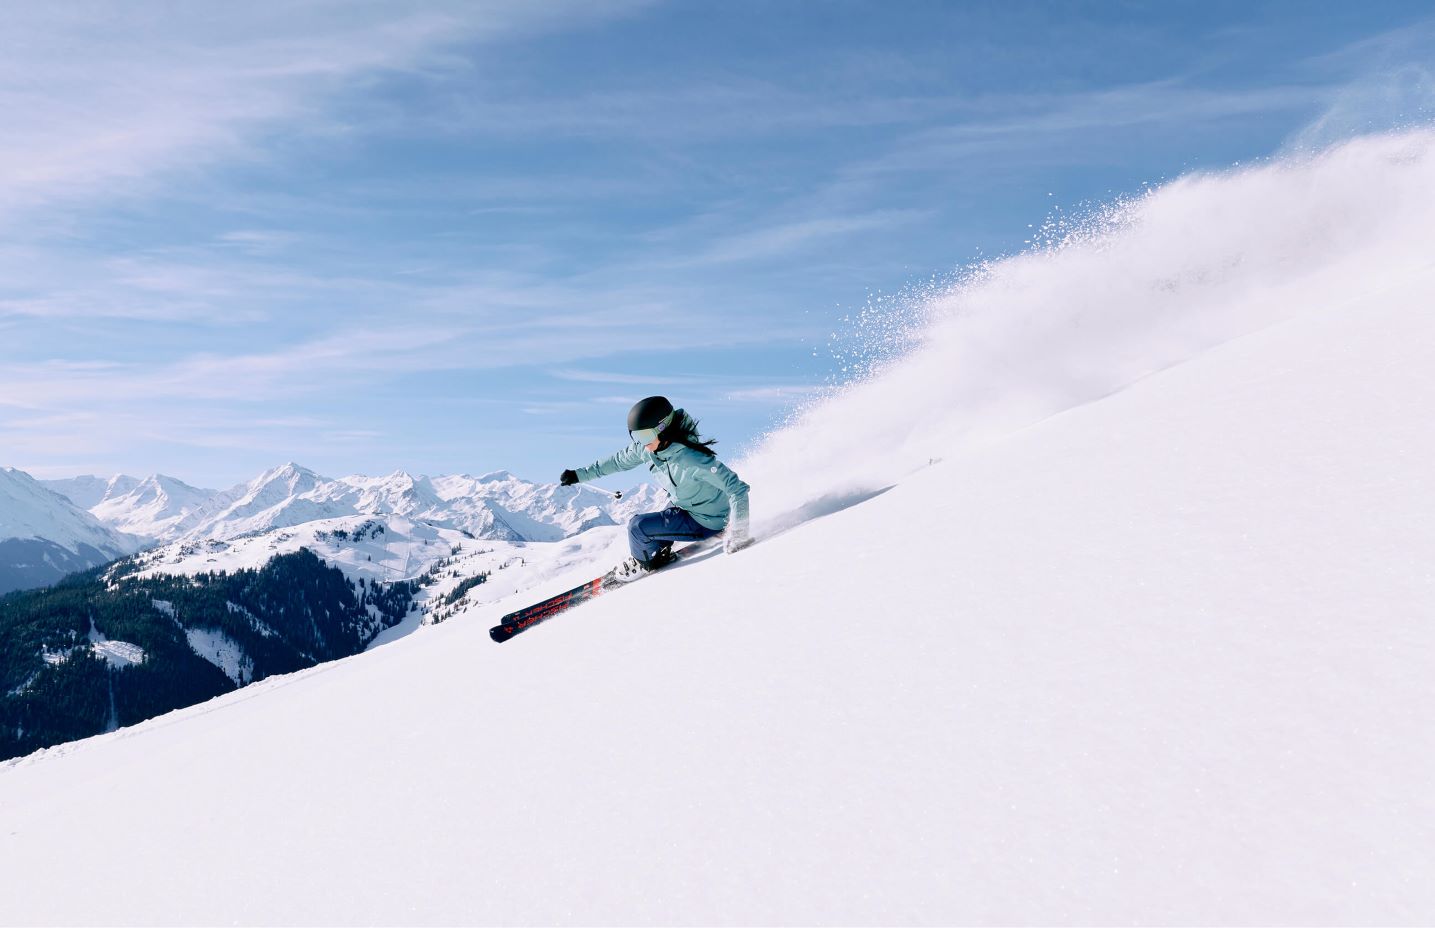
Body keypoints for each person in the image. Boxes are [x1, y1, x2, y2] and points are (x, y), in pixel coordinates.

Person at [561, 396, 751, 580]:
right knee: (655, 521)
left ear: (663, 428)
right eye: (637, 436)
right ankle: (659, 550)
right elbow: (617, 462)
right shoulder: (649, 448)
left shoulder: (692, 459)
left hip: (709, 521)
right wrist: (579, 475)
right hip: (685, 506)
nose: (642, 442)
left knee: (637, 528)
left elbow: (737, 489)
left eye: (645, 435)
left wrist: (739, 533)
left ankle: (646, 563)